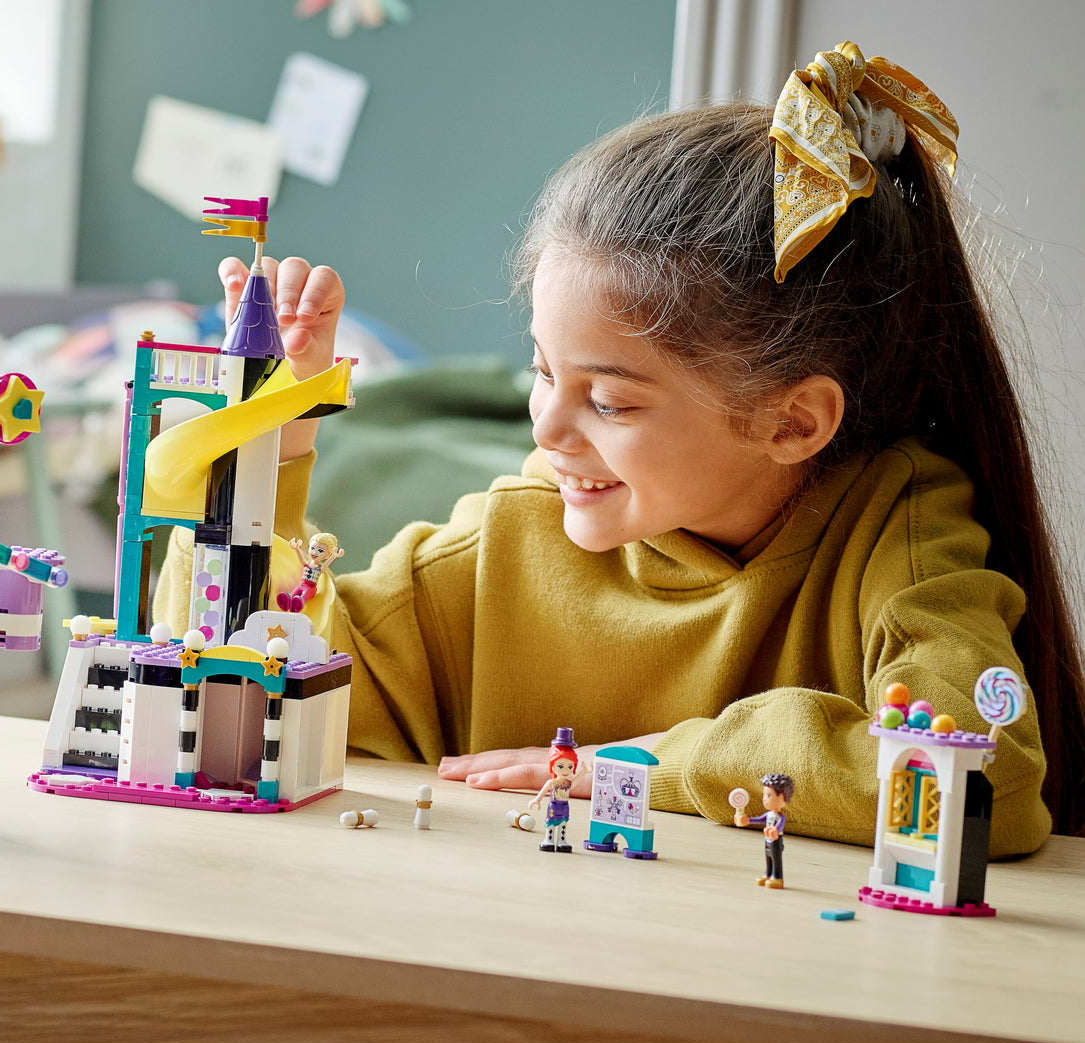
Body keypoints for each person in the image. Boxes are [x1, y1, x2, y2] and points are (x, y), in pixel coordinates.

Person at [156, 42, 1085, 855]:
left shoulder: (900, 534)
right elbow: (226, 674)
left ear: (793, 422)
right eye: (539, 371)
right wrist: (263, 460)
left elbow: (983, 781)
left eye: (606, 400)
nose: (547, 430)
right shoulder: (506, 545)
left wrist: (637, 766)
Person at [733, 774, 794, 888]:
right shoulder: (769, 814)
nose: (764, 799)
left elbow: (780, 825)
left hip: (775, 841)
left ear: (783, 798)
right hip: (768, 840)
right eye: (765, 795)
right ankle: (768, 874)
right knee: (768, 857)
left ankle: (777, 877)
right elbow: (759, 819)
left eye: (769, 795)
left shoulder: (780, 817)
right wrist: (747, 820)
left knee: (776, 859)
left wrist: (775, 830)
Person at [529, 728, 580, 853]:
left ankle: (561, 841)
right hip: (553, 805)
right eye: (560, 766)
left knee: (563, 823)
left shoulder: (567, 783)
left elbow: (576, 783)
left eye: (570, 766)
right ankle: (549, 840)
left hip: (564, 805)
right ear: (552, 766)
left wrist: (584, 772)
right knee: (551, 823)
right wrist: (537, 800)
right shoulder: (552, 782)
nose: (565, 770)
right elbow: (544, 790)